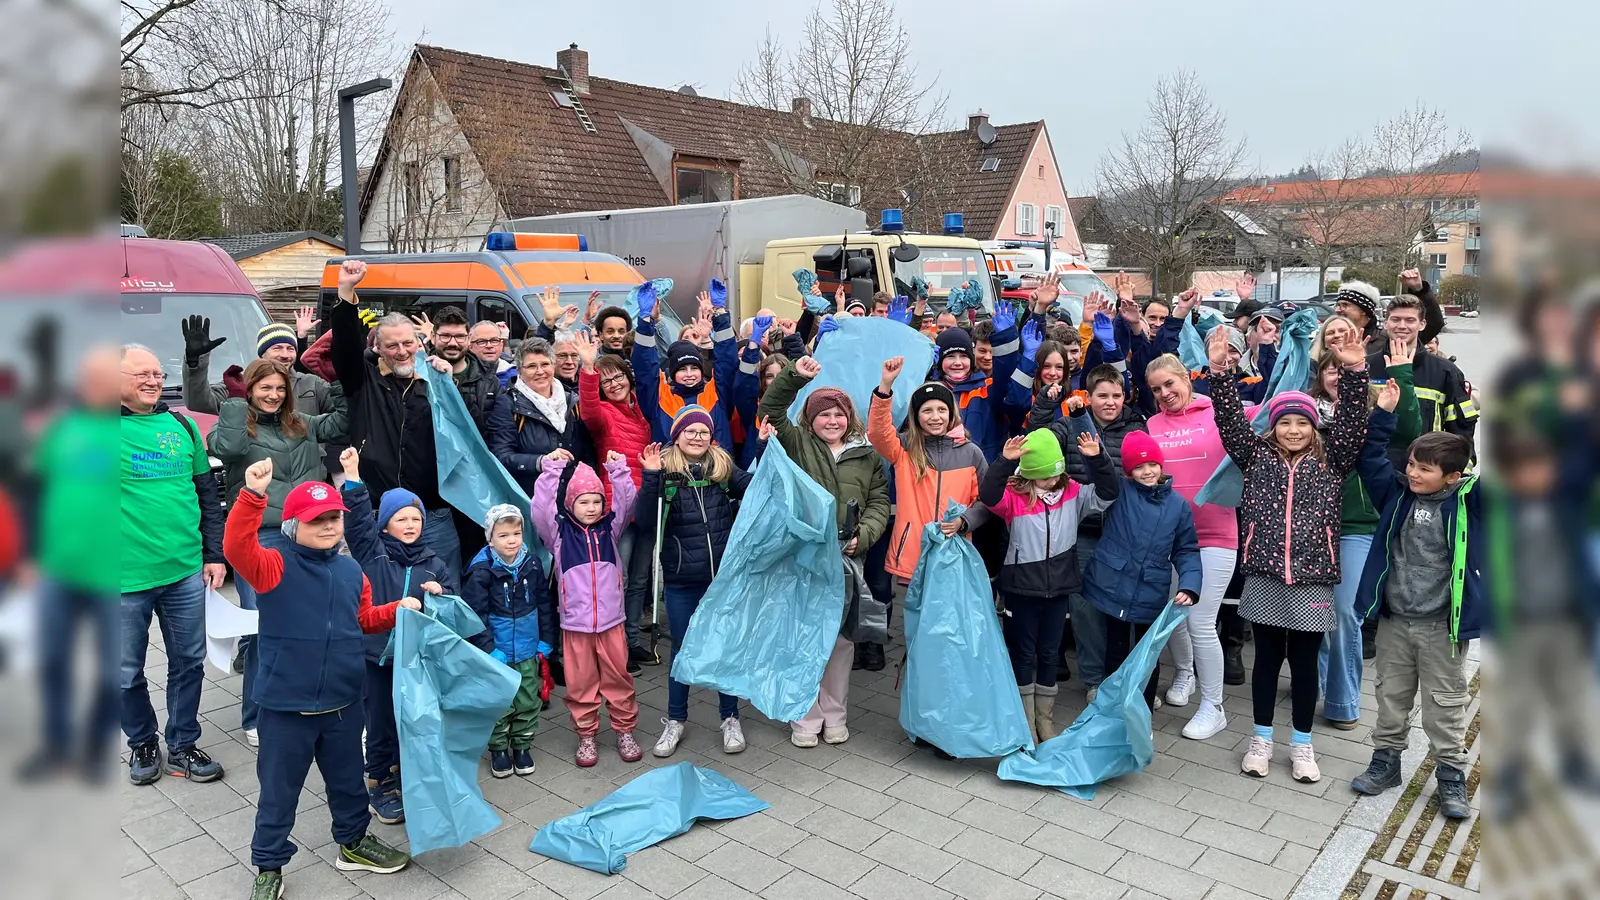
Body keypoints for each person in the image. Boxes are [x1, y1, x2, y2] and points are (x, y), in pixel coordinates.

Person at [224, 459, 414, 899]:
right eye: (317, 520)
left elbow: (362, 619)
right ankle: (269, 865)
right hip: (285, 706)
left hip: (345, 704)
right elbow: (236, 548)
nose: (329, 526)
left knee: (349, 783)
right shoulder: (272, 566)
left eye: (334, 518)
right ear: (292, 525)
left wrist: (395, 610)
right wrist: (253, 497)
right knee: (278, 792)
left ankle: (352, 843)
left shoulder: (351, 571)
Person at [1207, 325, 1369, 783]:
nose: (1294, 429)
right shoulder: (1255, 456)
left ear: (1314, 425)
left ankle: (1302, 743)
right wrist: (1221, 374)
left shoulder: (1332, 459)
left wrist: (1355, 371)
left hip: (1314, 579)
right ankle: (1260, 738)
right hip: (1264, 574)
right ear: (1273, 427)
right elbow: (1229, 422)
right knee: (1266, 662)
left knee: (1302, 665)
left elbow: (1355, 421)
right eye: (1284, 422)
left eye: (1301, 422)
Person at [1348, 395, 1480, 819]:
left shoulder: (1470, 504)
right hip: (1395, 621)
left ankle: (1451, 776)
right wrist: (1383, 415)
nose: (1413, 473)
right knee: (1391, 696)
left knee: (1445, 702)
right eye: (1411, 464)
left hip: (1442, 626)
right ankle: (1386, 763)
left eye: (1425, 468)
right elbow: (1369, 457)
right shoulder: (1397, 494)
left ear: (1453, 477)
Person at [209, 359, 348, 747]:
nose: (273, 395)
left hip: (307, 533)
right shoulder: (235, 422)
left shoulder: (300, 422)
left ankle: (308, 698)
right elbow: (227, 447)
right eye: (264, 388)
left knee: (315, 621)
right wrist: (236, 403)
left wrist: (337, 378)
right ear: (250, 389)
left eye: (280, 388)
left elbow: (340, 423)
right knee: (262, 627)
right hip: (263, 536)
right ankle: (255, 713)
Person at [758, 357, 891, 748]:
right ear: (810, 420)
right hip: (804, 556)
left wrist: (862, 536)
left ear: (849, 418)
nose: (832, 421)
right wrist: (795, 376)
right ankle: (805, 714)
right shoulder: (797, 443)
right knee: (802, 635)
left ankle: (835, 714)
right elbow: (770, 409)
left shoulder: (867, 454)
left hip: (847, 558)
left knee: (839, 640)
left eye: (838, 414)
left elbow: (879, 501)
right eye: (824, 415)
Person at [119, 344, 226, 786]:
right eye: (141, 374)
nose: (153, 381)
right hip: (121, 579)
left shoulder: (180, 424)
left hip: (184, 571)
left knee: (189, 662)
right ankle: (142, 742)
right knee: (124, 672)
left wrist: (215, 554)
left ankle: (181, 744)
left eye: (157, 374)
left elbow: (207, 496)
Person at [1308, 320, 1420, 730]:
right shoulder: (1306, 413)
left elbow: (1411, 429)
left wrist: (1401, 379)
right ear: (1320, 375)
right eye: (1329, 368)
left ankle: (1342, 700)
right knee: (1313, 614)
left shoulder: (1375, 404)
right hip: (1311, 526)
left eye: (1343, 368)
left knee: (1343, 611)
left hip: (1357, 526)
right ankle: (1314, 683)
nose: (1336, 373)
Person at [16, 346, 120, 782]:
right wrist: (27, 555)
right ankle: (57, 746)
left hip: (115, 575)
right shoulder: (61, 428)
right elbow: (31, 490)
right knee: (53, 660)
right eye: (91, 379)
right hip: (57, 569)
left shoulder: (129, 431)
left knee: (113, 669)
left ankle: (97, 749)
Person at [337, 449, 455, 825]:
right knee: (381, 721)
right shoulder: (372, 553)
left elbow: (453, 604)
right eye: (400, 519)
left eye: (415, 518)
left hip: (413, 659)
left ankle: (409, 774)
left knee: (414, 719)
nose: (409, 525)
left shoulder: (432, 562)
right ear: (384, 524)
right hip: (376, 657)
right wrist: (353, 475)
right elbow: (356, 522)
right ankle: (379, 780)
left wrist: (442, 593)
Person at [329, 260, 462, 585]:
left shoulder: (435, 381)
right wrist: (347, 293)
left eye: (408, 343)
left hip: (433, 513)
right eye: (392, 345)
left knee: (445, 595)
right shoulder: (363, 381)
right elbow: (344, 348)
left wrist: (451, 381)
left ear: (419, 343)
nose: (402, 352)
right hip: (379, 513)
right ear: (378, 349)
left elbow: (467, 435)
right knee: (383, 601)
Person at [982, 428, 1119, 741]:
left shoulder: (1073, 492)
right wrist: (1005, 461)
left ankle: (1044, 720)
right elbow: (988, 495)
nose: (1052, 482)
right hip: (1021, 591)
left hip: (1059, 589)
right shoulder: (1014, 498)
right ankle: (1024, 721)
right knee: (1022, 655)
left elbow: (1109, 492)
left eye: (1055, 476)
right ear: (1029, 476)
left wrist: (1097, 460)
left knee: (1048, 654)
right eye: (1043, 477)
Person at [1026, 366, 1149, 699]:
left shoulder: (1137, 426)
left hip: (1123, 532)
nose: (1110, 402)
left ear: (1126, 396)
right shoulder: (1069, 425)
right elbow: (1036, 441)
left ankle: (1123, 676)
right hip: (1081, 531)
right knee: (1084, 611)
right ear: (1088, 396)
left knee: (1123, 610)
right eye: (1102, 395)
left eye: (1116, 395)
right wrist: (1044, 404)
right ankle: (1094, 679)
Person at [638, 408, 753, 757]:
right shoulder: (665, 469)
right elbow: (645, 521)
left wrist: (765, 448)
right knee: (683, 649)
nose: (697, 437)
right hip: (680, 577)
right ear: (678, 435)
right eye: (690, 431)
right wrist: (650, 477)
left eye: (704, 431)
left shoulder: (722, 466)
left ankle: (730, 717)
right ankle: (675, 720)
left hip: (720, 578)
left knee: (724, 647)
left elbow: (755, 491)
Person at [1141, 353, 1237, 740]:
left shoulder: (1220, 412)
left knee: (1199, 620)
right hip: (1172, 536)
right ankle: (1185, 673)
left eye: (1170, 384)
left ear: (1186, 378)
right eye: (1156, 389)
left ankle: (1214, 707)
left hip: (1215, 534)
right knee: (1172, 613)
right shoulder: (1152, 423)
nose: (1165, 394)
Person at [866, 359, 991, 651]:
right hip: (914, 553)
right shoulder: (905, 450)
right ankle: (918, 676)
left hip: (953, 554)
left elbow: (986, 501)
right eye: (927, 410)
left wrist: (965, 521)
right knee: (917, 625)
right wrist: (885, 387)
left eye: (941, 410)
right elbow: (877, 433)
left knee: (948, 628)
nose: (935, 417)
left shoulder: (970, 453)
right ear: (916, 415)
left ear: (951, 414)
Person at [531, 453, 645, 766]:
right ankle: (586, 735)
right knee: (581, 684)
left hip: (611, 623)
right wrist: (551, 472)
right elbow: (541, 509)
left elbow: (627, 502)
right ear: (570, 505)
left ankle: (624, 730)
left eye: (596, 501)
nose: (591, 508)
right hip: (575, 627)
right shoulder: (559, 534)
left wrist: (618, 470)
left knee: (618, 679)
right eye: (584, 502)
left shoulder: (611, 528)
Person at [1084, 431, 1202, 710]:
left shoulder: (1178, 506)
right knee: (1115, 650)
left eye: (1152, 464)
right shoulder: (1119, 492)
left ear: (1161, 465)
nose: (1147, 471)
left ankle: (1143, 709)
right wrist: (1094, 452)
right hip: (1113, 589)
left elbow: (1187, 549)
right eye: (1138, 466)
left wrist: (1190, 585)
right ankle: (1112, 709)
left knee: (1149, 655)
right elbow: (1101, 472)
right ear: (1128, 470)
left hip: (1151, 591)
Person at [573, 331, 656, 671]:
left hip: (646, 506)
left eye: (617, 375)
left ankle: (632, 639)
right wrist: (589, 369)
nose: (614, 383)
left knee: (639, 579)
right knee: (616, 581)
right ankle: (613, 646)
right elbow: (589, 408)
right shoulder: (603, 413)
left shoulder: (641, 411)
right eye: (606, 380)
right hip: (617, 508)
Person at [464, 503, 556, 778]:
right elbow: (474, 614)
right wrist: (488, 648)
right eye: (503, 535)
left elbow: (544, 603)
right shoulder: (481, 570)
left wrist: (547, 639)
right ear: (490, 537)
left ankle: (522, 745)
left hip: (528, 648)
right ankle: (499, 748)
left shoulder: (532, 563)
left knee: (528, 698)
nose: (512, 540)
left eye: (516, 533)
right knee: (498, 701)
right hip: (498, 653)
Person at [1366, 294, 1477, 466]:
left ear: (1422, 324)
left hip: (1428, 474)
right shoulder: (1367, 367)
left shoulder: (1445, 371)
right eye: (1396, 319)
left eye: (1410, 320)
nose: (1402, 326)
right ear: (1386, 323)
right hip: (1374, 472)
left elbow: (1461, 430)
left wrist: (1458, 475)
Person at [634, 284, 740, 448]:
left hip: (716, 472)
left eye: (694, 368)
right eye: (682, 369)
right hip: (672, 472)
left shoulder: (716, 393)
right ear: (673, 373)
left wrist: (720, 314)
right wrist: (645, 320)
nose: (689, 374)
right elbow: (645, 369)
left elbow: (727, 362)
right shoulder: (660, 398)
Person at [488, 337, 591, 496]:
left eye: (545, 364)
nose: (540, 371)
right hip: (533, 499)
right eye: (531, 366)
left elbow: (587, 453)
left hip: (575, 500)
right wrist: (540, 461)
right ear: (519, 371)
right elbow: (500, 456)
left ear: (553, 365)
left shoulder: (573, 401)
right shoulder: (507, 405)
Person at [180, 316, 335, 419]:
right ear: (262, 353)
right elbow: (198, 402)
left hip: (306, 466)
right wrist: (195, 363)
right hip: (256, 467)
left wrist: (340, 376)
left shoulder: (313, 384)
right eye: (277, 348)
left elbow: (343, 414)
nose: (285, 354)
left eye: (290, 348)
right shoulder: (239, 384)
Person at [930, 303, 1021, 462]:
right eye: (950, 356)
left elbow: (1006, 378)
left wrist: (1005, 340)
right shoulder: (930, 389)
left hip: (982, 468)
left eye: (963, 356)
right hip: (941, 471)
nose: (957, 363)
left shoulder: (986, 388)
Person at [429, 307, 503, 443]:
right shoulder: (419, 374)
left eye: (459, 336)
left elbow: (497, 433)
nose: (452, 343)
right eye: (445, 336)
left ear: (469, 338)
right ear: (433, 337)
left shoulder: (489, 380)